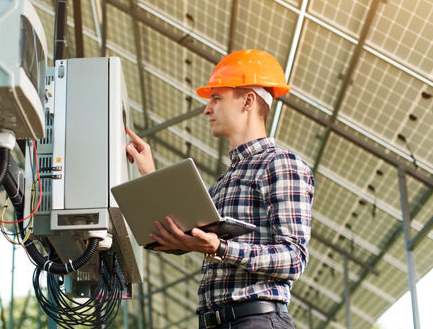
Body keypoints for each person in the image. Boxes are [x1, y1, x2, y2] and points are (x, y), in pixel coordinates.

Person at [125, 49, 314, 329]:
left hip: (257, 321)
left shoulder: (281, 164)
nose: (207, 108)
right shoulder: (224, 183)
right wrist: (150, 174)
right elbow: (186, 235)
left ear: (248, 100)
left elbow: (294, 259)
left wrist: (222, 248)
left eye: (217, 98)